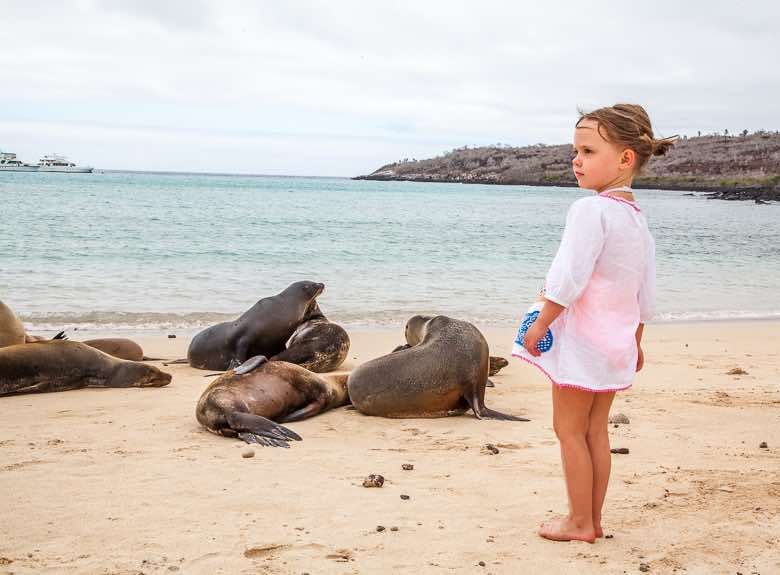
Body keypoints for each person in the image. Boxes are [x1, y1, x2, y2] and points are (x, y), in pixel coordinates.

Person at [512, 104, 677, 543]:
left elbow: (568, 277)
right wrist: (636, 342)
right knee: (595, 432)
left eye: (587, 150)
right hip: (614, 344)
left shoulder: (591, 211)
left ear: (625, 158)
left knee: (568, 430)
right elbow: (645, 295)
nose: (576, 160)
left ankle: (579, 522)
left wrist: (540, 324)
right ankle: (593, 520)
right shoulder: (638, 222)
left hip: (583, 341)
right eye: (575, 150)